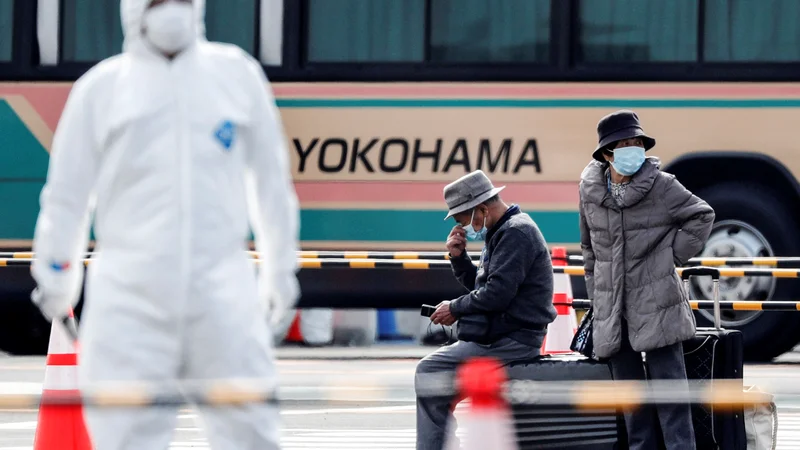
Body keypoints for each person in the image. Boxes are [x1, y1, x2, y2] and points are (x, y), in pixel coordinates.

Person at [28, 0, 299, 448]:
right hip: (129, 297)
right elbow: (66, 198)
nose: (170, 10)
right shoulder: (101, 89)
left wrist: (280, 272)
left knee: (249, 432)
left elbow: (271, 185)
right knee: (127, 436)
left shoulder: (235, 77)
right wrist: (57, 277)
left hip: (221, 289)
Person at [578, 110, 715, 450]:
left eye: (636, 142)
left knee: (671, 395)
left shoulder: (663, 185)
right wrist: (598, 297)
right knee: (631, 399)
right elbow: (588, 248)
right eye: (623, 144)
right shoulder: (590, 191)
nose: (632, 149)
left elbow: (702, 215)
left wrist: (671, 256)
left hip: (658, 303)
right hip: (613, 308)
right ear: (606, 153)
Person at [415, 170, 557, 450]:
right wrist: (459, 258)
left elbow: (496, 295)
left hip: (509, 340)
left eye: (462, 219)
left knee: (429, 371)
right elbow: (484, 287)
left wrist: (454, 308)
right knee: (439, 381)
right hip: (502, 335)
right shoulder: (502, 231)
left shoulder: (516, 232)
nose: (463, 227)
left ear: (481, 208)